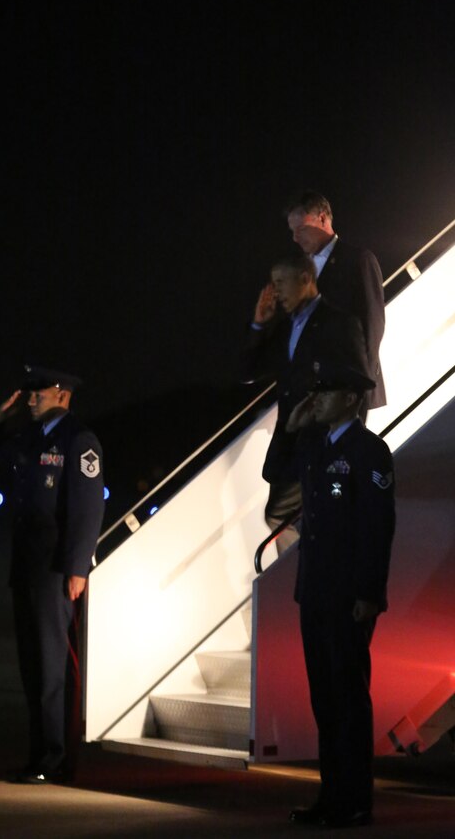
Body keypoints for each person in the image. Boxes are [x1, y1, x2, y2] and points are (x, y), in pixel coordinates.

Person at [286, 362, 395, 828]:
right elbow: (278, 472)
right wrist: (292, 426)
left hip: (348, 594)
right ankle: (331, 796)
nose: (318, 400)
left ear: (352, 398)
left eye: (327, 393)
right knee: (324, 699)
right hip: (314, 591)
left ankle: (355, 799)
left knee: (348, 697)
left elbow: (377, 525)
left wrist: (369, 591)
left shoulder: (369, 451)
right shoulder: (315, 445)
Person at [0, 365, 104, 784]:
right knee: (32, 666)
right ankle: (38, 754)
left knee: (54, 667)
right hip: (27, 565)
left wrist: (77, 568)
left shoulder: (79, 440)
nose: (31, 397)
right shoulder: (29, 437)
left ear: (63, 395)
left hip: (55, 569)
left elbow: (87, 509)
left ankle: (56, 758)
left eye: (39, 391)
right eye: (30, 391)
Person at [240, 250, 368, 553]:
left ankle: (308, 576)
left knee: (283, 516)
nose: (276, 291)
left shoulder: (340, 323)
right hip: (290, 445)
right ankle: (307, 577)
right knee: (289, 519)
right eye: (273, 283)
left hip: (320, 443)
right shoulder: (284, 328)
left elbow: (357, 383)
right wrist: (259, 324)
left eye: (281, 282)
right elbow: (246, 372)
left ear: (306, 278)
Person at [286, 191, 386, 415]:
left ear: (323, 218)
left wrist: (359, 386)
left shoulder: (358, 260)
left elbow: (373, 325)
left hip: (345, 391)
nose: (295, 238)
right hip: (310, 391)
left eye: (301, 229)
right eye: (292, 232)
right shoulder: (300, 268)